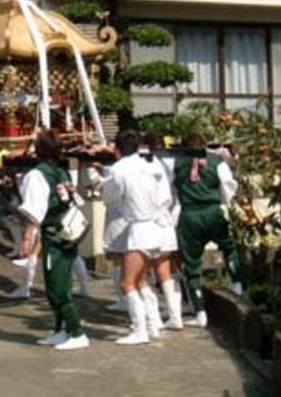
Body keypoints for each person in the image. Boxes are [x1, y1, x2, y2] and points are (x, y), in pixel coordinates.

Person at [18, 130, 90, 350]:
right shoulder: (62, 171)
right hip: (69, 231)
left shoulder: (37, 175)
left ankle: (77, 331)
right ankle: (61, 329)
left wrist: (27, 239)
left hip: (54, 233)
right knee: (61, 281)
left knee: (56, 287)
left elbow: (34, 211)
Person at [102, 130, 173, 345]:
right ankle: (153, 324)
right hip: (157, 226)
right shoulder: (150, 165)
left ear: (117, 148)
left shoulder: (118, 169)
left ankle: (140, 329)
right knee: (141, 279)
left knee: (127, 283)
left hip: (138, 228)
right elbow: (165, 196)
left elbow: (110, 198)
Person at [173, 133, 242, 328]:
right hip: (212, 210)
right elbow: (228, 185)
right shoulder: (216, 161)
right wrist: (224, 203)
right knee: (228, 246)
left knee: (192, 264)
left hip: (189, 214)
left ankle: (200, 311)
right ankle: (237, 285)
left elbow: (171, 190)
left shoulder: (177, 163)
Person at [138, 132, 184, 333]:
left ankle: (154, 317)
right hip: (166, 221)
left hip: (147, 223)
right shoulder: (167, 164)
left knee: (141, 271)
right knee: (165, 270)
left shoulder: (139, 167)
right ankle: (175, 316)